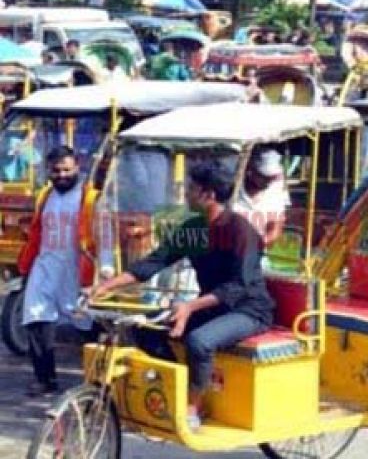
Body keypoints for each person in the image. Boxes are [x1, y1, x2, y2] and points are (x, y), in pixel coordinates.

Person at [90, 162, 275, 430]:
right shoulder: (193, 228)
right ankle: (177, 388)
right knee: (144, 328)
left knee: (199, 341)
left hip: (249, 310)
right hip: (211, 306)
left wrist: (190, 306)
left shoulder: (240, 231)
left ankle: (192, 408)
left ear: (208, 195)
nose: (185, 194)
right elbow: (155, 262)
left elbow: (239, 286)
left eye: (191, 189)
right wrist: (106, 286)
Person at [19, 146, 105, 397]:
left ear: (77, 166)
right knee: (36, 319)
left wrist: (105, 272)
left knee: (87, 325)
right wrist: (27, 265)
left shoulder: (91, 198)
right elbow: (37, 232)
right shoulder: (45, 196)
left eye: (66, 169)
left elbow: (103, 237)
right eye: (56, 170)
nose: (61, 175)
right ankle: (45, 378)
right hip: (45, 266)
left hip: (77, 269)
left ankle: (97, 382)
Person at [232, 149, 290, 248]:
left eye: (273, 177)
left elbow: (277, 226)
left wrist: (260, 242)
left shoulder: (277, 191)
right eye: (265, 177)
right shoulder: (231, 189)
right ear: (251, 171)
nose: (269, 181)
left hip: (258, 253)